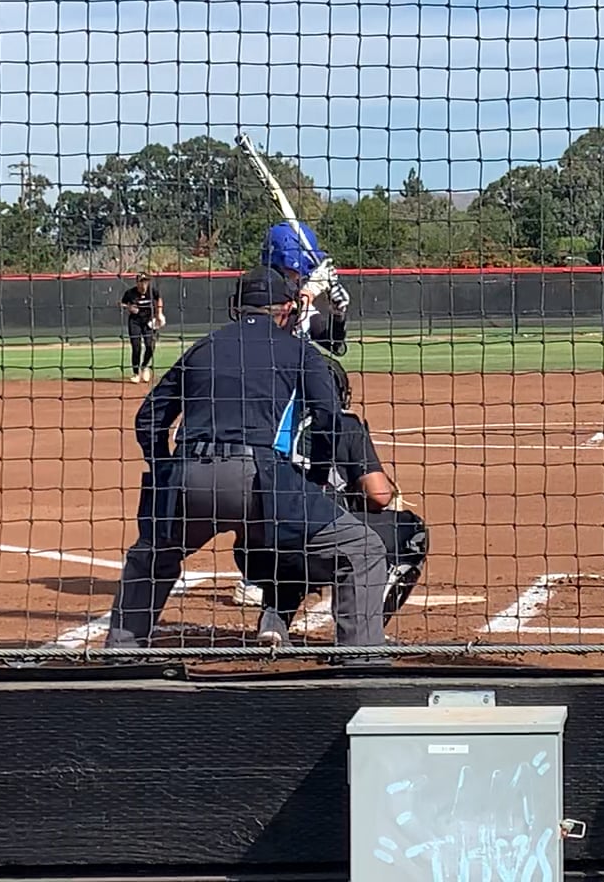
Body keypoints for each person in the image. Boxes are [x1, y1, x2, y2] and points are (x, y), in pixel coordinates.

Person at [104, 267, 389, 657]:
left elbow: (148, 420)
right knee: (362, 550)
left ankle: (120, 654)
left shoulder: (203, 347)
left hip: (189, 477)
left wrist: (167, 471)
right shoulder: (300, 351)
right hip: (260, 481)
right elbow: (330, 421)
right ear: (288, 308)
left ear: (235, 307)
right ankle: (361, 663)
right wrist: (315, 481)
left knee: (151, 556)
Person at [233, 351, 430, 644]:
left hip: (254, 552)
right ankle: (366, 632)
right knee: (411, 532)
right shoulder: (344, 424)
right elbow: (379, 496)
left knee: (288, 547)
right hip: (321, 544)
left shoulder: (264, 425)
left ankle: (273, 623)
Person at [262, 218, 350, 355]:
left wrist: (338, 314)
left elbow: (336, 347)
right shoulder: (257, 290)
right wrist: (309, 292)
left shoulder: (300, 303)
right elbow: (277, 325)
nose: (301, 275)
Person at [118, 273, 165, 383]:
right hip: (135, 321)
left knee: (150, 345)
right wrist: (129, 307)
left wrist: (159, 313)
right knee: (136, 347)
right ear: (137, 282)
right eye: (142, 281)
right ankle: (136, 373)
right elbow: (121, 303)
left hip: (149, 321)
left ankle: (145, 366)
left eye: (146, 281)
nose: (144, 284)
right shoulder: (130, 293)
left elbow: (159, 299)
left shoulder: (152, 291)